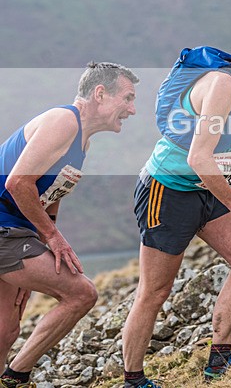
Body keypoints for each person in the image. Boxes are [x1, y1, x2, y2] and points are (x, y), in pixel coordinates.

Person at [121, 10, 231, 387]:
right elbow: (197, 157)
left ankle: (219, 361)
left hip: (206, 189)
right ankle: (133, 379)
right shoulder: (223, 84)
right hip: (166, 190)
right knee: (155, 291)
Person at [0, 62, 139, 387]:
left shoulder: (82, 141)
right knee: (82, 294)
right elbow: (18, 183)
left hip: (17, 231)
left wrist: (43, 241)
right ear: (100, 94)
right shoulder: (63, 122)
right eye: (128, 99)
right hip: (5, 227)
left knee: (7, 327)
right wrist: (53, 238)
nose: (132, 110)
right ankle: (16, 375)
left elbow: (51, 193)